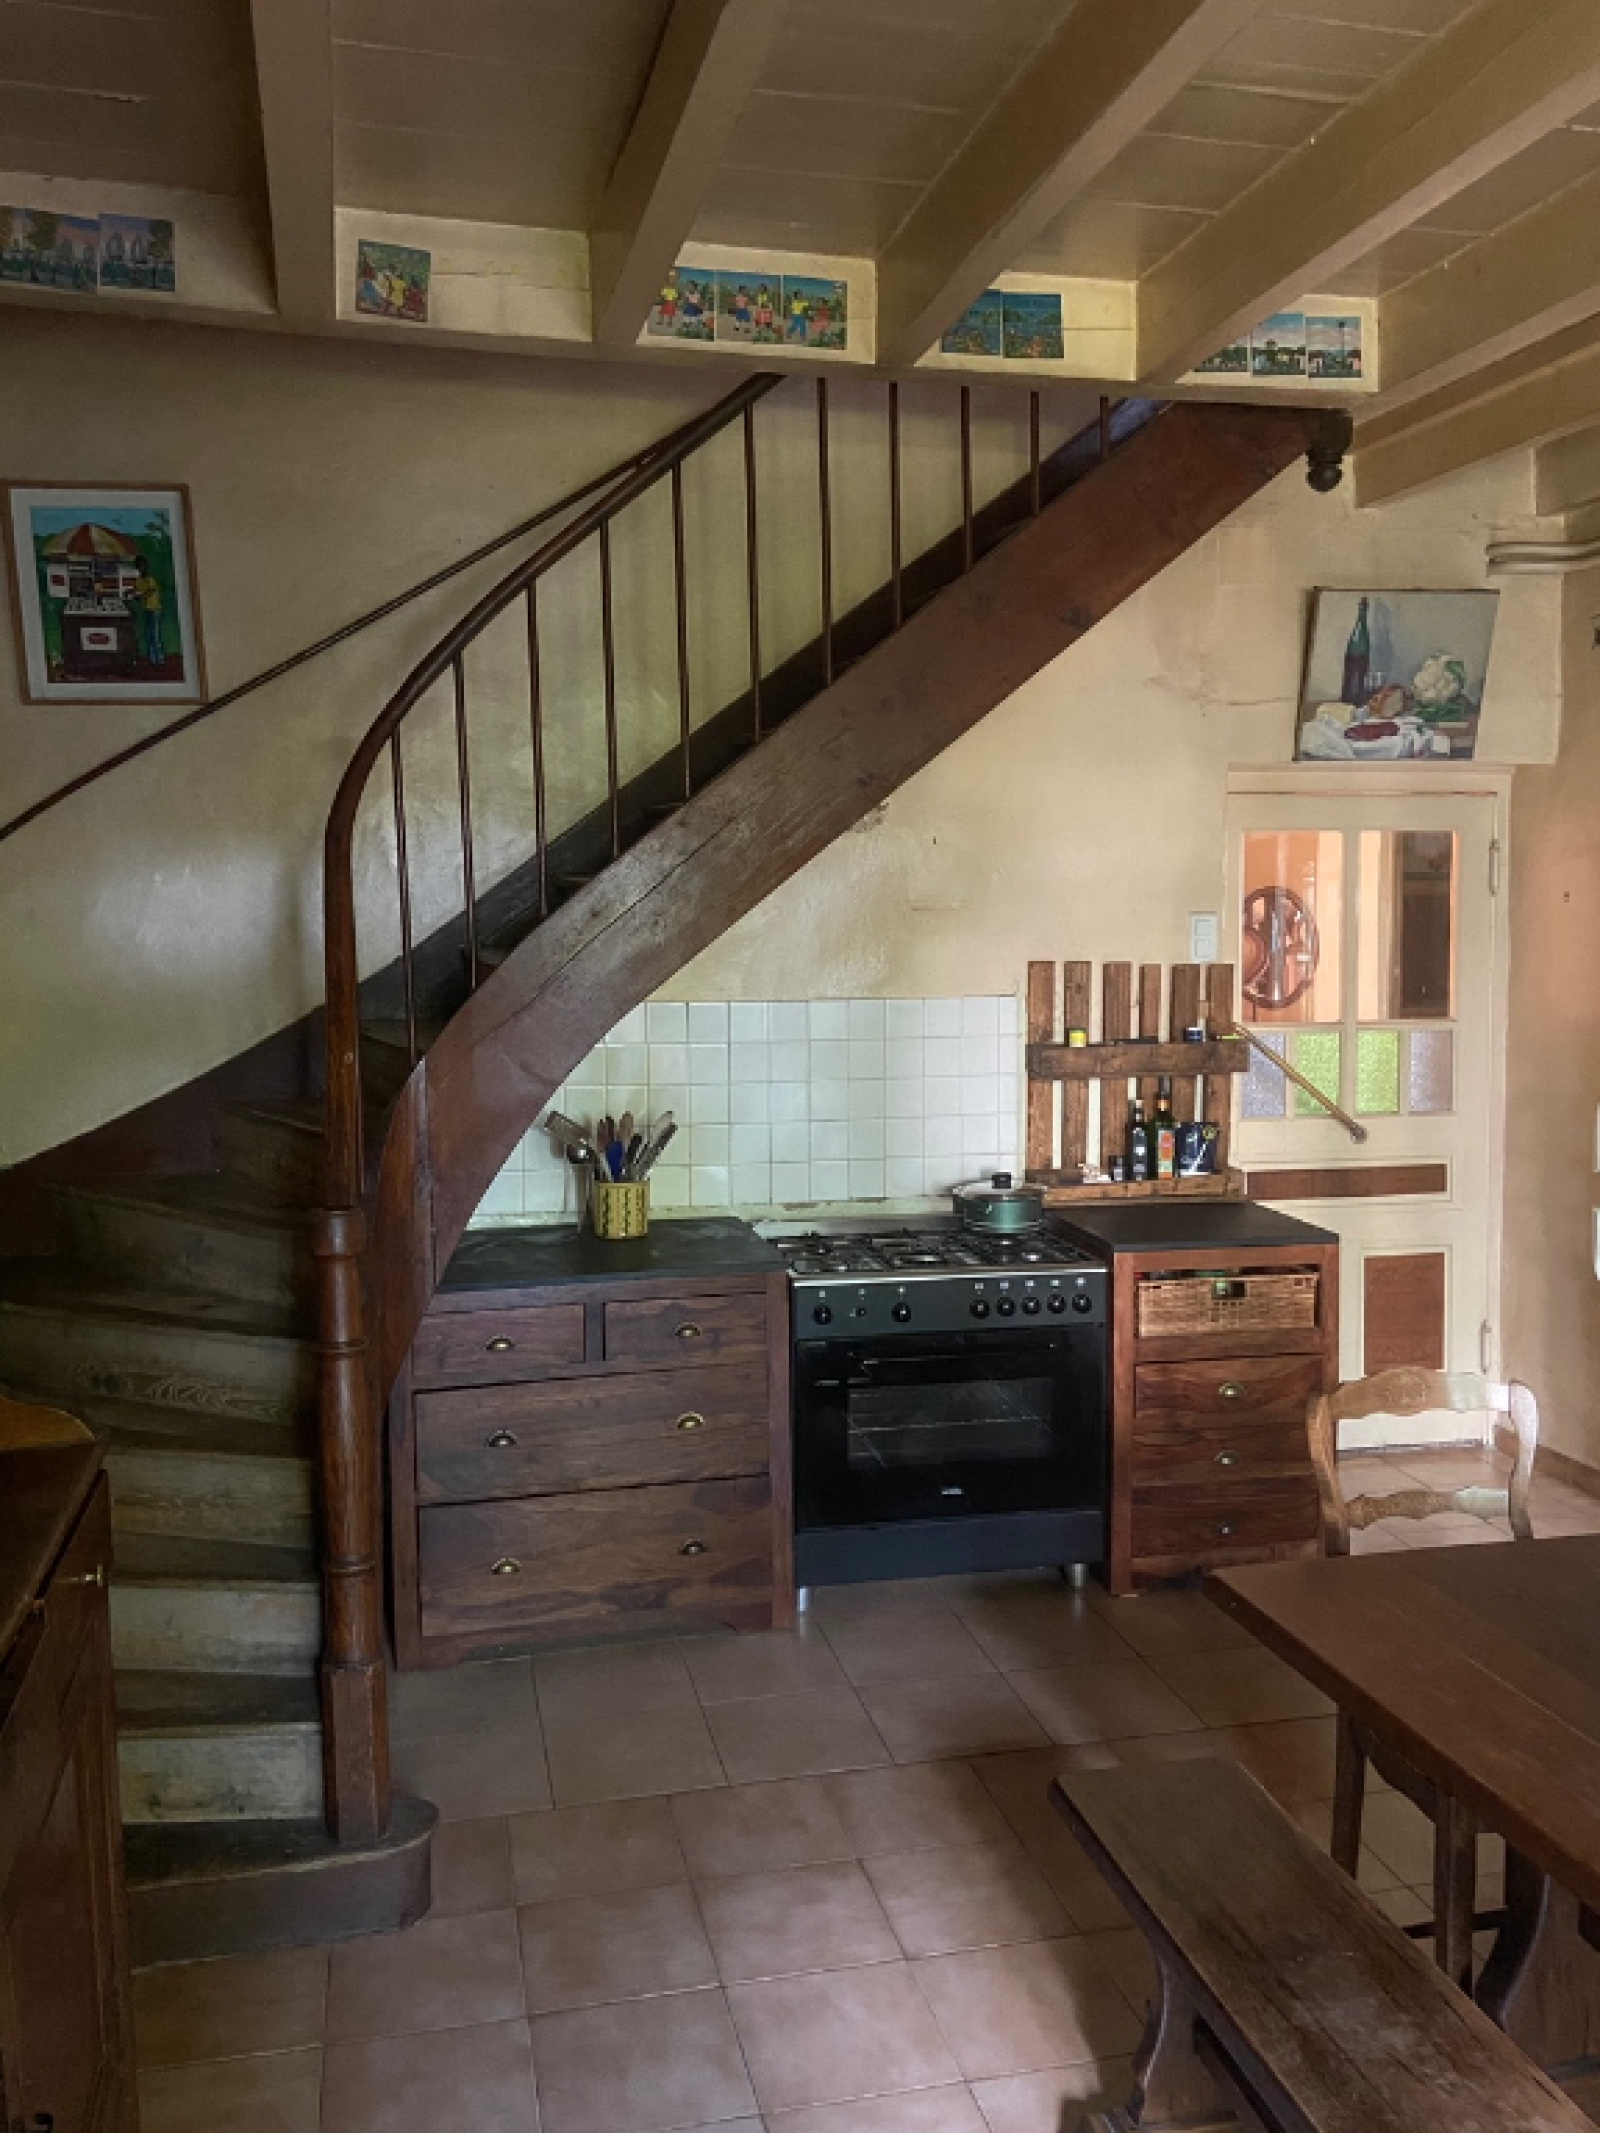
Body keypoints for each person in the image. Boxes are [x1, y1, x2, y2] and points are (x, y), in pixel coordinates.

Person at [131, 554, 164, 667]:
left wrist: (141, 596)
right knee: (149, 634)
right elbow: (135, 589)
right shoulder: (139, 579)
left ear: (146, 566)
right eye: (138, 566)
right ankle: (152, 659)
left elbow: (151, 590)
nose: (140, 568)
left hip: (154, 609)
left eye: (142, 566)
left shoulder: (149, 579)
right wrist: (131, 593)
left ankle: (159, 659)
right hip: (146, 609)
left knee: (154, 634)